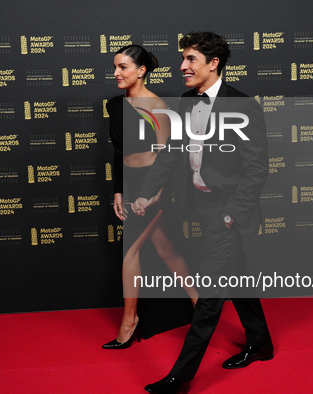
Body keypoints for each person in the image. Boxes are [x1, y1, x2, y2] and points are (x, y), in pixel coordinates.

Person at [132, 32, 273, 393]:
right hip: (202, 206)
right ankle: (261, 342)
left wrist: (230, 215)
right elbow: (171, 155)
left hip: (226, 211)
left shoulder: (243, 106)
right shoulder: (185, 101)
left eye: (191, 59)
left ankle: (180, 377)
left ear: (214, 64)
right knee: (237, 275)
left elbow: (257, 170)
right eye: (183, 59)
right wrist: (147, 194)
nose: (182, 66)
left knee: (209, 297)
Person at [103, 45, 199, 349]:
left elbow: (167, 157)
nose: (116, 73)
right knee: (166, 250)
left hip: (152, 184)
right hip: (130, 183)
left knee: (129, 251)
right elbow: (119, 152)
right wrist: (119, 189)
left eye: (123, 67)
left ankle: (129, 323)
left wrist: (153, 194)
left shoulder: (157, 106)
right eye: (115, 67)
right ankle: (204, 307)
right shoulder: (114, 105)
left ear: (141, 71)